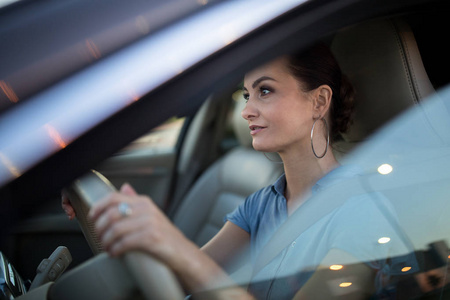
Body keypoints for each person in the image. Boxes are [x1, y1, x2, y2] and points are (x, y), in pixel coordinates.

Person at [63, 43, 412, 299]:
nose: (246, 110)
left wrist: (170, 240)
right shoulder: (262, 204)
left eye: (264, 91)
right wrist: (107, 217)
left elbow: (191, 266)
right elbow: (178, 277)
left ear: (319, 102)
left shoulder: (364, 214)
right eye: (246, 95)